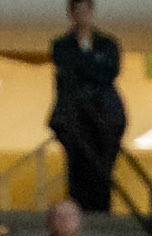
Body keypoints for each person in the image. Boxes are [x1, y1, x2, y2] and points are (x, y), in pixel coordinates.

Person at [49, 0, 126, 213]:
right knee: (78, 167)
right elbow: (70, 74)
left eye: (86, 10)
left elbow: (109, 73)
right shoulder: (61, 45)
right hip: (75, 116)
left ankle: (101, 211)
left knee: (102, 168)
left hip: (105, 116)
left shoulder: (108, 44)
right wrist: (92, 64)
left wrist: (83, 63)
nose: (82, 16)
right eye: (78, 11)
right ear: (71, 14)